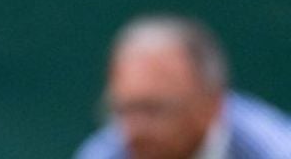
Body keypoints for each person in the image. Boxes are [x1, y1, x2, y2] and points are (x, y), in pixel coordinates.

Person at [75, 15, 291, 159]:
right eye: (123, 110)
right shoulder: (107, 153)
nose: (135, 130)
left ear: (210, 106)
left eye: (153, 109)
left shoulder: (274, 149)